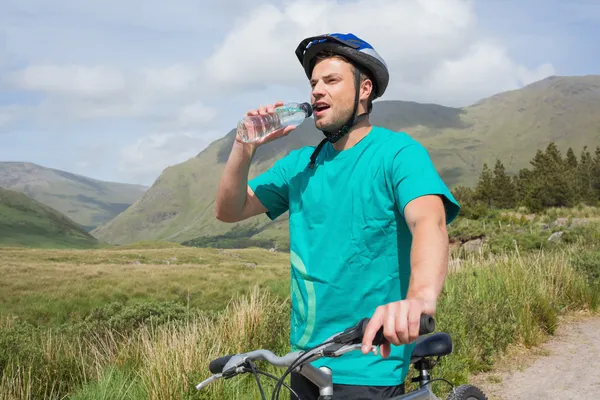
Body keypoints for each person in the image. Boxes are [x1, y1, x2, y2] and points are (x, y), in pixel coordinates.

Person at [215, 32, 461, 399]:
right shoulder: (299, 166)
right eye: (314, 83)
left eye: (331, 81)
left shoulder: (398, 153)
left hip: (369, 359)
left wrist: (419, 299)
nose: (317, 90)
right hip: (306, 361)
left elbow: (429, 221)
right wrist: (243, 147)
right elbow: (228, 210)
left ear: (365, 89)